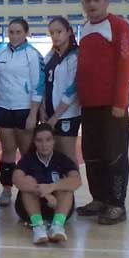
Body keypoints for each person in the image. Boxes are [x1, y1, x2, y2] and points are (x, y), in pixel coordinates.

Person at [76, 0, 129, 225]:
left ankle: (116, 204)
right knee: (92, 155)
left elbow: (127, 65)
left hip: (112, 106)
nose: (91, 4)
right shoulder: (85, 28)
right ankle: (99, 198)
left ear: (106, 2)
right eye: (87, 0)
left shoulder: (119, 26)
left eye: (96, 0)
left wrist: (120, 101)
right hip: (88, 106)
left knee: (114, 155)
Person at [0, 18, 44, 207]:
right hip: (3, 108)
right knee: (7, 151)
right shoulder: (0, 54)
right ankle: (6, 189)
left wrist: (33, 114)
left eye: (18, 32)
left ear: (26, 33)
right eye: (11, 32)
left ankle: (27, 190)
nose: (14, 36)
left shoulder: (33, 55)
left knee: (27, 152)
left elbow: (38, 85)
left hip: (25, 109)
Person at [13, 123, 82, 244]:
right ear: (34, 142)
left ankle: (57, 226)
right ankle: (38, 227)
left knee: (66, 186)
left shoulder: (62, 159)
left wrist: (52, 187)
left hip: (56, 207)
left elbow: (77, 181)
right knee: (28, 182)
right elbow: (16, 179)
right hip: (28, 210)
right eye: (39, 140)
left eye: (48, 140)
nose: (44, 144)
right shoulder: (28, 159)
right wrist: (46, 194)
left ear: (54, 141)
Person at [42, 16, 82, 161]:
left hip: (67, 115)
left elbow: (72, 89)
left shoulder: (75, 56)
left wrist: (55, 116)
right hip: (49, 114)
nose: (55, 36)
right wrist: (42, 110)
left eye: (59, 32)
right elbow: (43, 84)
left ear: (69, 32)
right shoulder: (50, 55)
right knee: (55, 156)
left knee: (67, 156)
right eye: (52, 33)